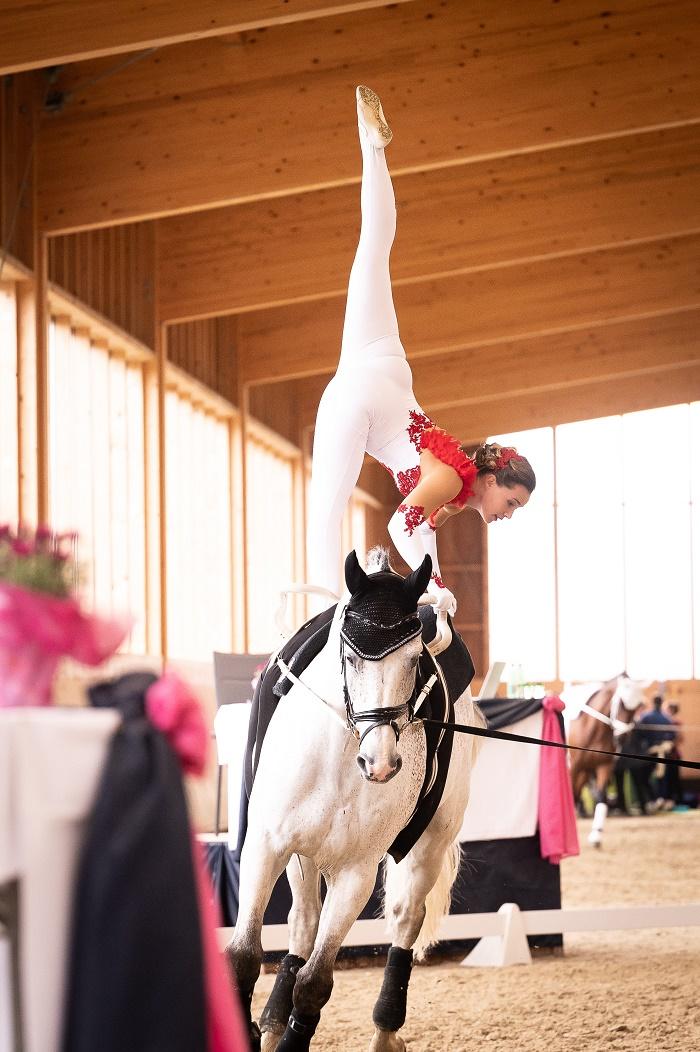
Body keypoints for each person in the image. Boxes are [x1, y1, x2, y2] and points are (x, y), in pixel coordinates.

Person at [308, 87, 536, 611]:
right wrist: (435, 590)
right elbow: (401, 522)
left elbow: (422, 527)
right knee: (325, 511)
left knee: (374, 248)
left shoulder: (454, 484)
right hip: (364, 399)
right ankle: (323, 614)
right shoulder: (454, 476)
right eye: (512, 501)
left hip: (385, 364)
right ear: (492, 477)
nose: (508, 513)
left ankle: (373, 146)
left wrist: (437, 583)